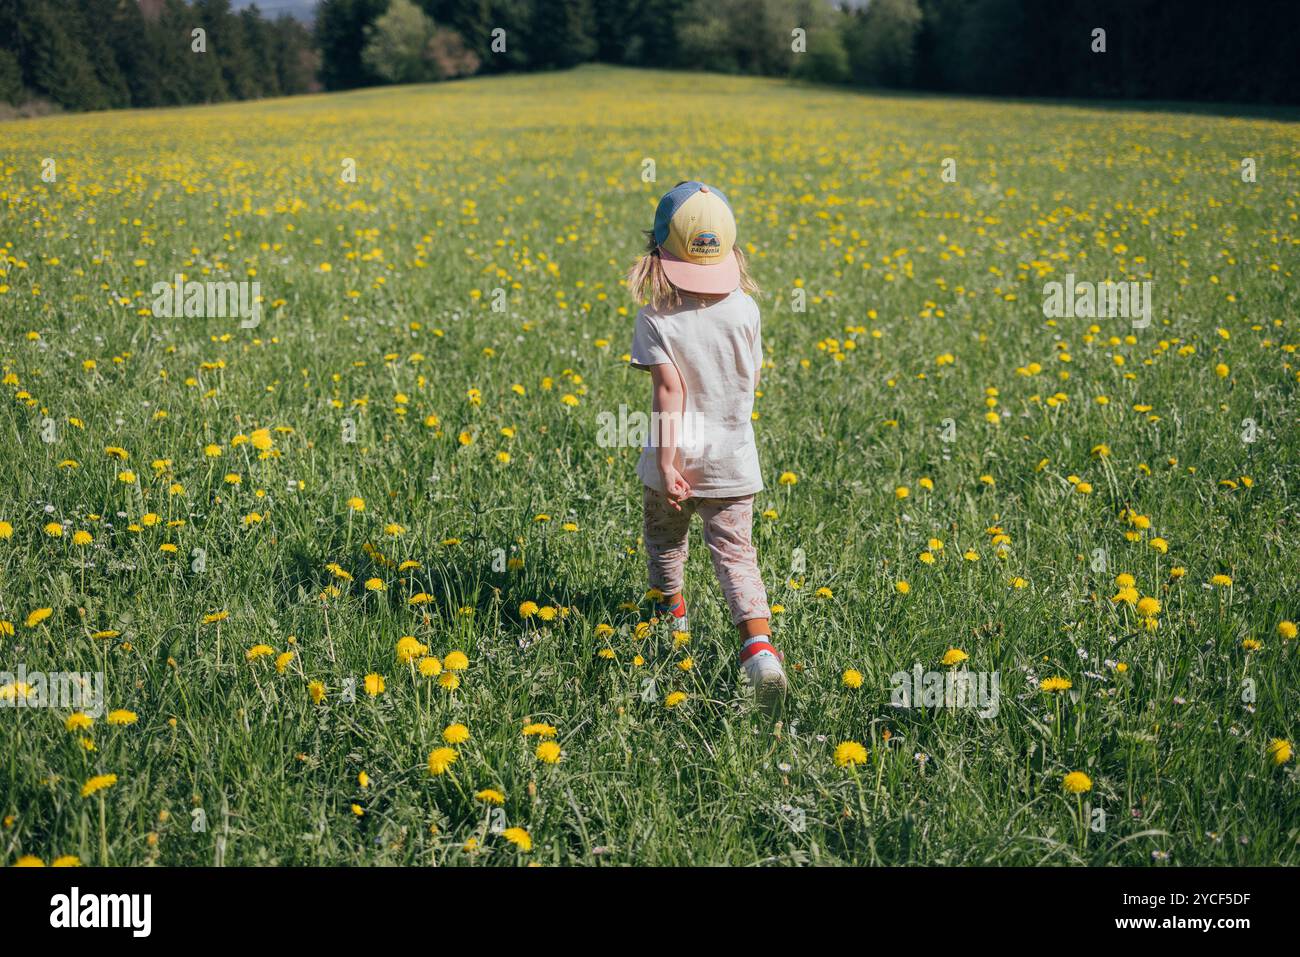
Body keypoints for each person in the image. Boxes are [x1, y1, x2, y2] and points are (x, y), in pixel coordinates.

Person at [626, 180, 785, 715]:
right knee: (737, 557)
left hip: (674, 463)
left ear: (659, 248)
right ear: (729, 252)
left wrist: (668, 465)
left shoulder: (655, 317)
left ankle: (670, 624)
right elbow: (750, 379)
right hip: (734, 463)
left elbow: (669, 392)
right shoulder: (746, 311)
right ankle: (760, 652)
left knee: (666, 545)